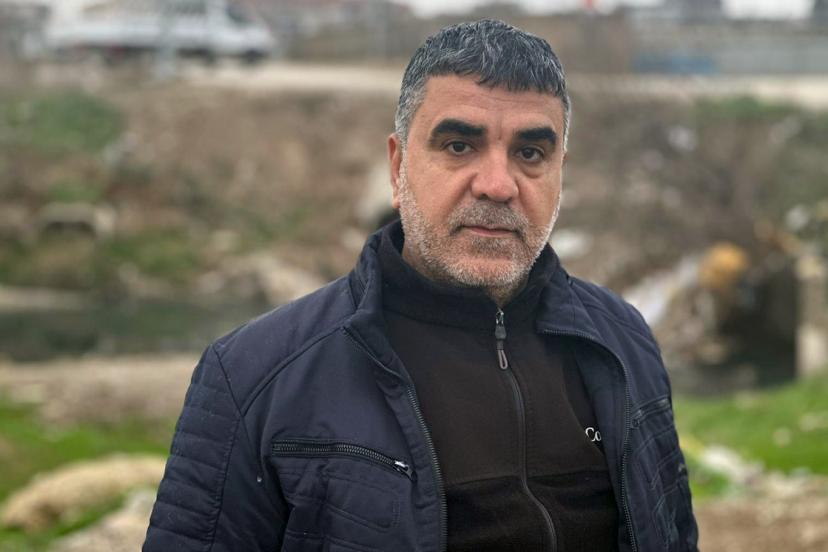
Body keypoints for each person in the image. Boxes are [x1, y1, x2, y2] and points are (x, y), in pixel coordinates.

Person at [144, 19, 698, 552]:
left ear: (560, 174)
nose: (498, 185)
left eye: (530, 153)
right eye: (458, 146)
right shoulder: (254, 376)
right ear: (397, 167)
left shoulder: (622, 342)